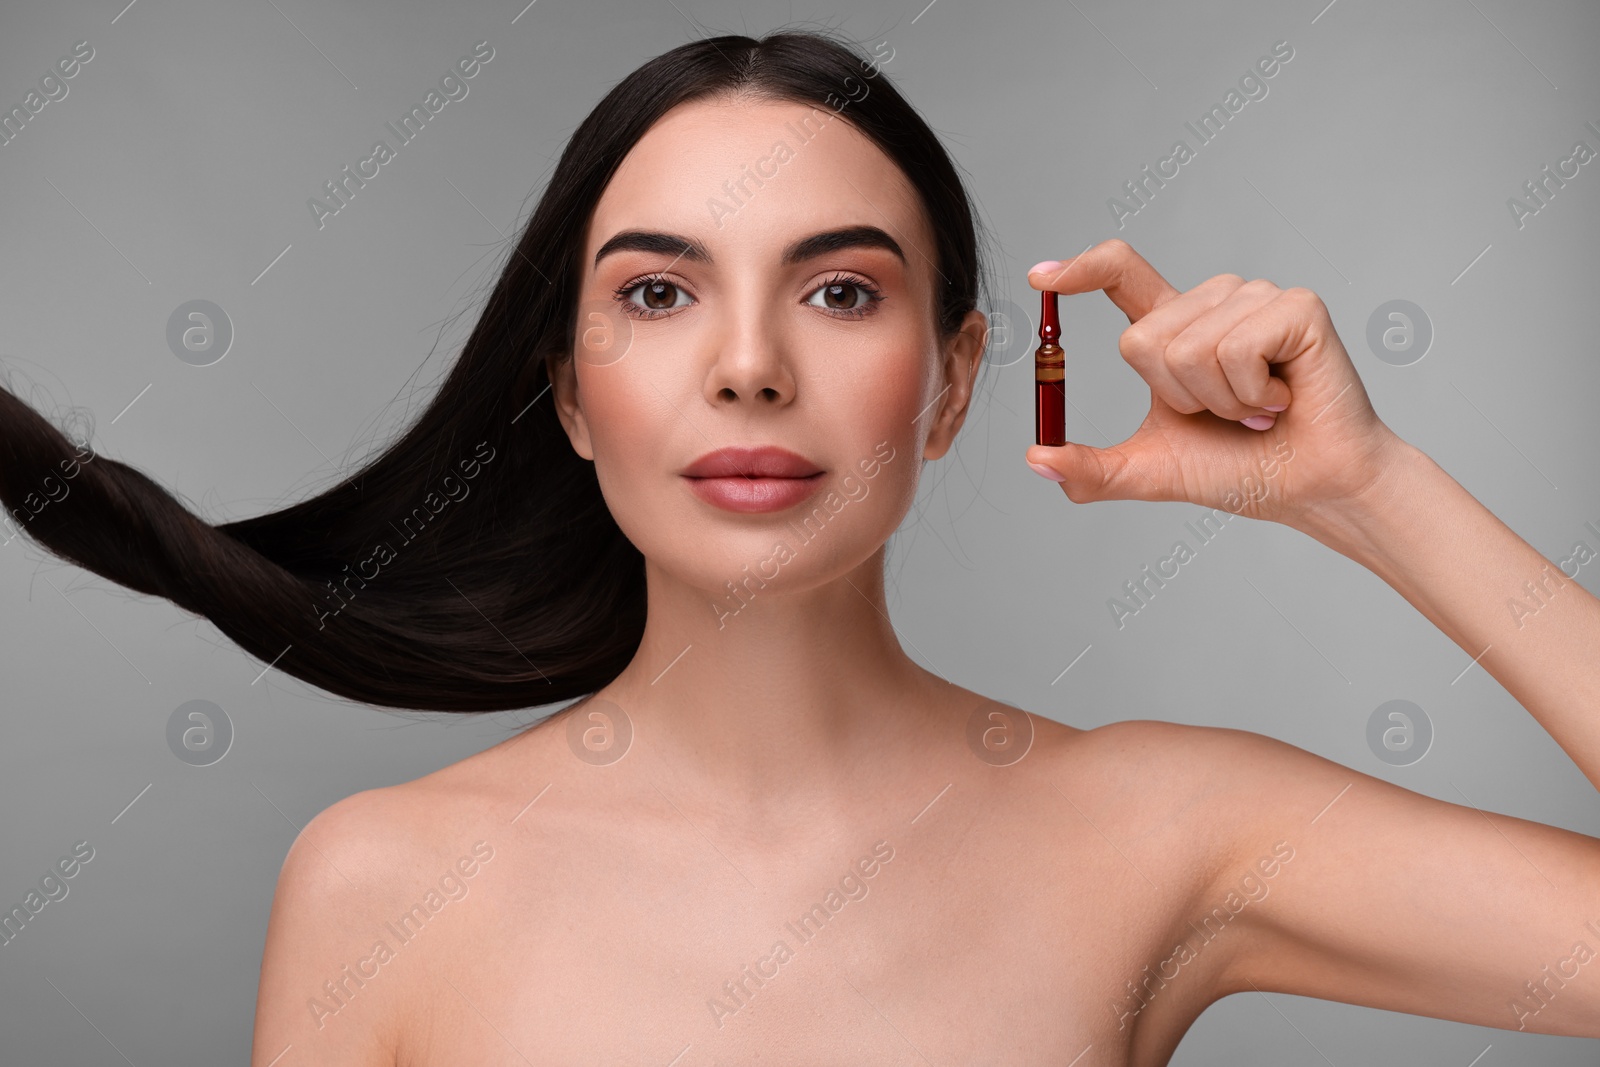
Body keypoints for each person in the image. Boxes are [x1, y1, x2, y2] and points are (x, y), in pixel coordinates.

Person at [2, 28, 1594, 1066]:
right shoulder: (381, 883)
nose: (748, 364)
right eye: (656, 291)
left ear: (958, 381)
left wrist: (1364, 490)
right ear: (567, 395)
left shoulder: (1166, 829)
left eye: (840, 292)